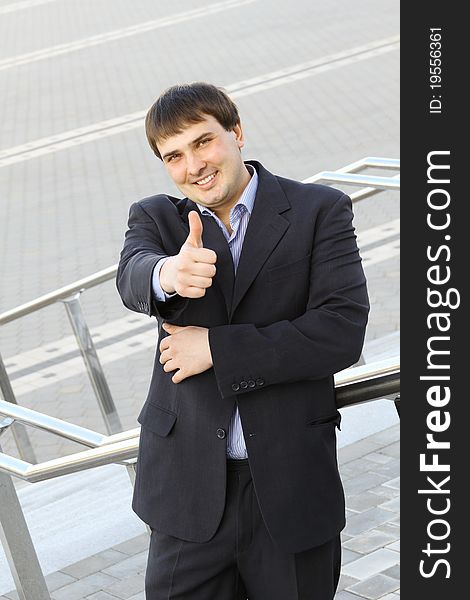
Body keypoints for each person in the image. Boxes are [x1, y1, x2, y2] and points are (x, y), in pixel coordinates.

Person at [116, 82, 369, 600]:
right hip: (185, 495)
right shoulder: (157, 218)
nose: (194, 166)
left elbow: (340, 331)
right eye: (174, 156)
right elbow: (132, 274)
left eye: (203, 142)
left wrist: (216, 349)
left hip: (290, 490)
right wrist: (167, 274)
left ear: (235, 132)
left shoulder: (319, 210)